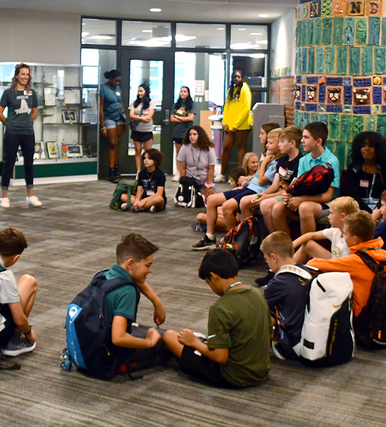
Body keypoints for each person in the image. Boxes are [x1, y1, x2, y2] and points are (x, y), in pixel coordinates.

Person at [162, 249, 271, 388]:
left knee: (169, 336)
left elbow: (221, 358)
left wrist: (194, 342)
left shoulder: (220, 308)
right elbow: (270, 335)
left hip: (234, 377)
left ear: (213, 277)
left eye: (208, 282)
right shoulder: (258, 294)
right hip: (261, 371)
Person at [80, 233, 168, 377]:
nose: (150, 270)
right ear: (131, 264)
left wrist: (157, 303)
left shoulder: (103, 275)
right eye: (148, 265)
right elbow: (118, 337)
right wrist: (149, 342)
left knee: (143, 329)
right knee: (165, 341)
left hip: (89, 347)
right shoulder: (127, 291)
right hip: (106, 356)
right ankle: (122, 365)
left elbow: (138, 280)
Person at [307, 211, 386, 318]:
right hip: (379, 309)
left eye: (345, 234)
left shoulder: (356, 261)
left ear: (355, 239)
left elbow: (313, 263)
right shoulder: (381, 253)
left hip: (363, 316)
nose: (343, 236)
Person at [0, 227, 39, 356]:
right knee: (29, 281)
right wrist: (29, 333)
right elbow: (19, 320)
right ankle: (14, 339)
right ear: (16, 258)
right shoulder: (4, 276)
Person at [269, 122, 341, 238]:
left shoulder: (332, 162)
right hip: (305, 197)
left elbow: (328, 196)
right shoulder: (303, 160)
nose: (302, 141)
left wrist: (300, 200)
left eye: (306, 137)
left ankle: (307, 248)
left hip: (326, 203)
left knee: (305, 207)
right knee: (277, 208)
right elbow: (298, 186)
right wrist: (289, 195)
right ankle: (287, 248)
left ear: (318, 141)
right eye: (302, 137)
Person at [192, 153, 262, 249]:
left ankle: (234, 241)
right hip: (248, 187)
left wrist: (246, 180)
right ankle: (209, 237)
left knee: (225, 207)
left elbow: (263, 180)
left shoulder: (268, 161)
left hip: (254, 190)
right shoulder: (265, 157)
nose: (256, 164)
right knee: (211, 200)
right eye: (253, 162)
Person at [0, 63, 42, 208]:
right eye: (22, 74)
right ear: (16, 75)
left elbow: (34, 112)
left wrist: (27, 122)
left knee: (29, 164)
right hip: (12, 133)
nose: (25, 77)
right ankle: (4, 196)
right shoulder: (8, 93)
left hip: (28, 133)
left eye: (27, 74)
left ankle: (30, 195)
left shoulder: (32, 93)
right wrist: (10, 123)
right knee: (9, 163)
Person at [259, 231, 307, 361]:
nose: (268, 263)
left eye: (266, 259)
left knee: (259, 313)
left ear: (273, 257)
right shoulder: (308, 271)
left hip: (291, 347)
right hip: (310, 337)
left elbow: (258, 311)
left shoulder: (278, 283)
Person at [257, 126, 304, 233]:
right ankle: (272, 236)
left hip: (287, 194)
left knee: (265, 205)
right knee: (257, 201)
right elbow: (275, 185)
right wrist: (262, 195)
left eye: (282, 141)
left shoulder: (300, 162)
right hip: (278, 193)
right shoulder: (282, 160)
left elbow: (288, 189)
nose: (279, 145)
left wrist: (267, 197)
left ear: (292, 143)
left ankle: (279, 237)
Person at [340, 131, 386, 218]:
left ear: (378, 149)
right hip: (358, 206)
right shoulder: (353, 168)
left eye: (371, 146)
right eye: (363, 146)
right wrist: (368, 212)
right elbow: (354, 194)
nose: (366, 148)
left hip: (381, 206)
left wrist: (377, 211)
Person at [290, 196, 359, 264]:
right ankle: (286, 267)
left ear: (342, 216)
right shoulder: (335, 230)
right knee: (308, 245)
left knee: (313, 263)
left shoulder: (352, 237)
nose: (328, 217)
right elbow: (310, 235)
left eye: (331, 213)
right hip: (335, 261)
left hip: (342, 268)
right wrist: (290, 247)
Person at [216, 70, 253, 183]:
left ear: (242, 78)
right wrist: (225, 123)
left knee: (240, 148)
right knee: (226, 148)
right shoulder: (230, 91)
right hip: (229, 125)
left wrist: (236, 125)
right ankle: (222, 174)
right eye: (234, 77)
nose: (236, 79)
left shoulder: (245, 89)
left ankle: (239, 176)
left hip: (241, 126)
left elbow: (245, 109)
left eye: (238, 77)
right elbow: (226, 108)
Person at [175, 125, 216, 205]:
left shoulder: (209, 148)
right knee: (187, 199)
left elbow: (211, 168)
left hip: (205, 180)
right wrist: (184, 183)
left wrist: (209, 185)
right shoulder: (184, 147)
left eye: (194, 134)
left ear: (200, 136)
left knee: (211, 201)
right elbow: (182, 167)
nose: (192, 137)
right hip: (190, 180)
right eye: (190, 134)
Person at [99, 70, 127, 183]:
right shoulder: (103, 89)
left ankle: (116, 171)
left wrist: (124, 119)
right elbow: (101, 109)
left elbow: (121, 103)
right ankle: (110, 172)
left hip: (119, 118)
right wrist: (103, 126)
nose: (117, 83)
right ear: (110, 78)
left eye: (119, 81)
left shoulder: (118, 89)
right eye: (116, 80)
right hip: (108, 118)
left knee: (117, 144)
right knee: (112, 144)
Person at [121, 149, 166, 213]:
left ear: (155, 160)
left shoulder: (160, 174)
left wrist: (144, 200)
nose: (146, 160)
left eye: (149, 159)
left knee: (159, 199)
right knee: (123, 196)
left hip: (153, 198)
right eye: (144, 158)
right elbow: (139, 191)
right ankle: (144, 206)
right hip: (144, 197)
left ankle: (137, 206)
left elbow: (159, 193)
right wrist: (137, 200)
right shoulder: (142, 173)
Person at [170, 86, 195, 181]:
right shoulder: (176, 105)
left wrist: (179, 118)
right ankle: (179, 172)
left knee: (187, 153)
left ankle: (187, 172)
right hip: (177, 131)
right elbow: (172, 118)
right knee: (178, 153)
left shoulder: (192, 105)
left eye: (185, 91)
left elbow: (190, 118)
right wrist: (184, 119)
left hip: (187, 132)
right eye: (181, 91)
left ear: (188, 93)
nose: (182, 93)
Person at [129, 83, 155, 176]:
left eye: (141, 91)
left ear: (146, 92)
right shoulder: (134, 103)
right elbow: (131, 115)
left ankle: (149, 172)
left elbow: (148, 118)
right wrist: (142, 118)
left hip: (147, 131)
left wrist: (137, 118)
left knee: (148, 153)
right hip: (136, 130)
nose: (139, 93)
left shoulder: (151, 103)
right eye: (138, 91)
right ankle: (138, 172)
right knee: (138, 151)